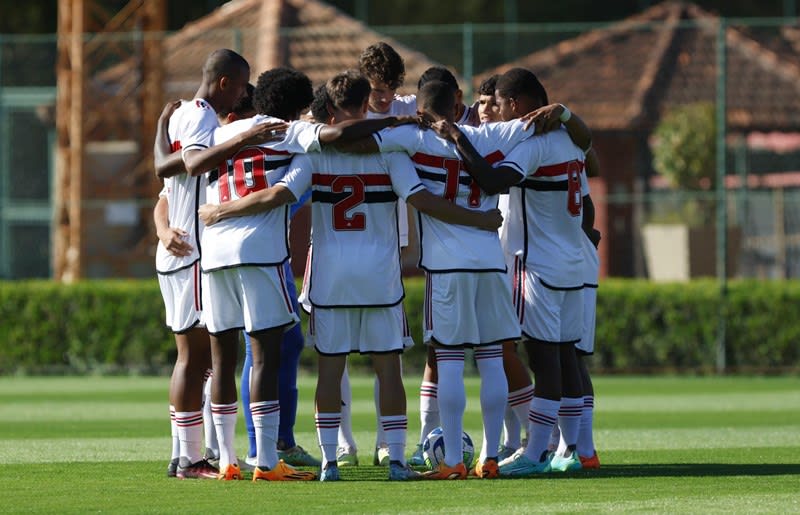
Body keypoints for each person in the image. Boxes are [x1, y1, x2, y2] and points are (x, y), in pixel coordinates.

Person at [199, 70, 503, 482]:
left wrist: (219, 211)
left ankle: (329, 462)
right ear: (366, 105)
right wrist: (479, 219)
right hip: (379, 275)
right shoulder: (392, 154)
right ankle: (395, 460)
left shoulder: (313, 152)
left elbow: (283, 194)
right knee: (388, 368)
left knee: (330, 369)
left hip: (329, 277)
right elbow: (422, 200)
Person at [352, 79, 545, 479]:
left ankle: (453, 457)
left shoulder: (411, 138)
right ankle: (490, 457)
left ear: (420, 106)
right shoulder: (489, 135)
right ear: (457, 103)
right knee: (492, 359)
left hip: (447, 267)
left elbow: (360, 141)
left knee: (451, 361)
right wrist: (558, 111)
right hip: (491, 261)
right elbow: (535, 122)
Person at [438, 67, 593, 476]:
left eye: (502, 103)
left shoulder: (535, 143)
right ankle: (573, 449)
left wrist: (457, 138)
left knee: (546, 361)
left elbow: (492, 180)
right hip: (572, 262)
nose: (500, 111)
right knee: (565, 357)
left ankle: (537, 451)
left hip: (538, 263)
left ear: (518, 105)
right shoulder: (572, 141)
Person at [152, 48, 252, 480]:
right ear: (226, 82)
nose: (243, 94)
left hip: (178, 250)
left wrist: (159, 126)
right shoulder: (200, 115)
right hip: (191, 251)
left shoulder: (181, 116)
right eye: (242, 85)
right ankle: (191, 460)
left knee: (195, 361)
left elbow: (165, 170)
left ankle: (185, 455)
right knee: (196, 360)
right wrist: (245, 139)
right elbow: (192, 164)